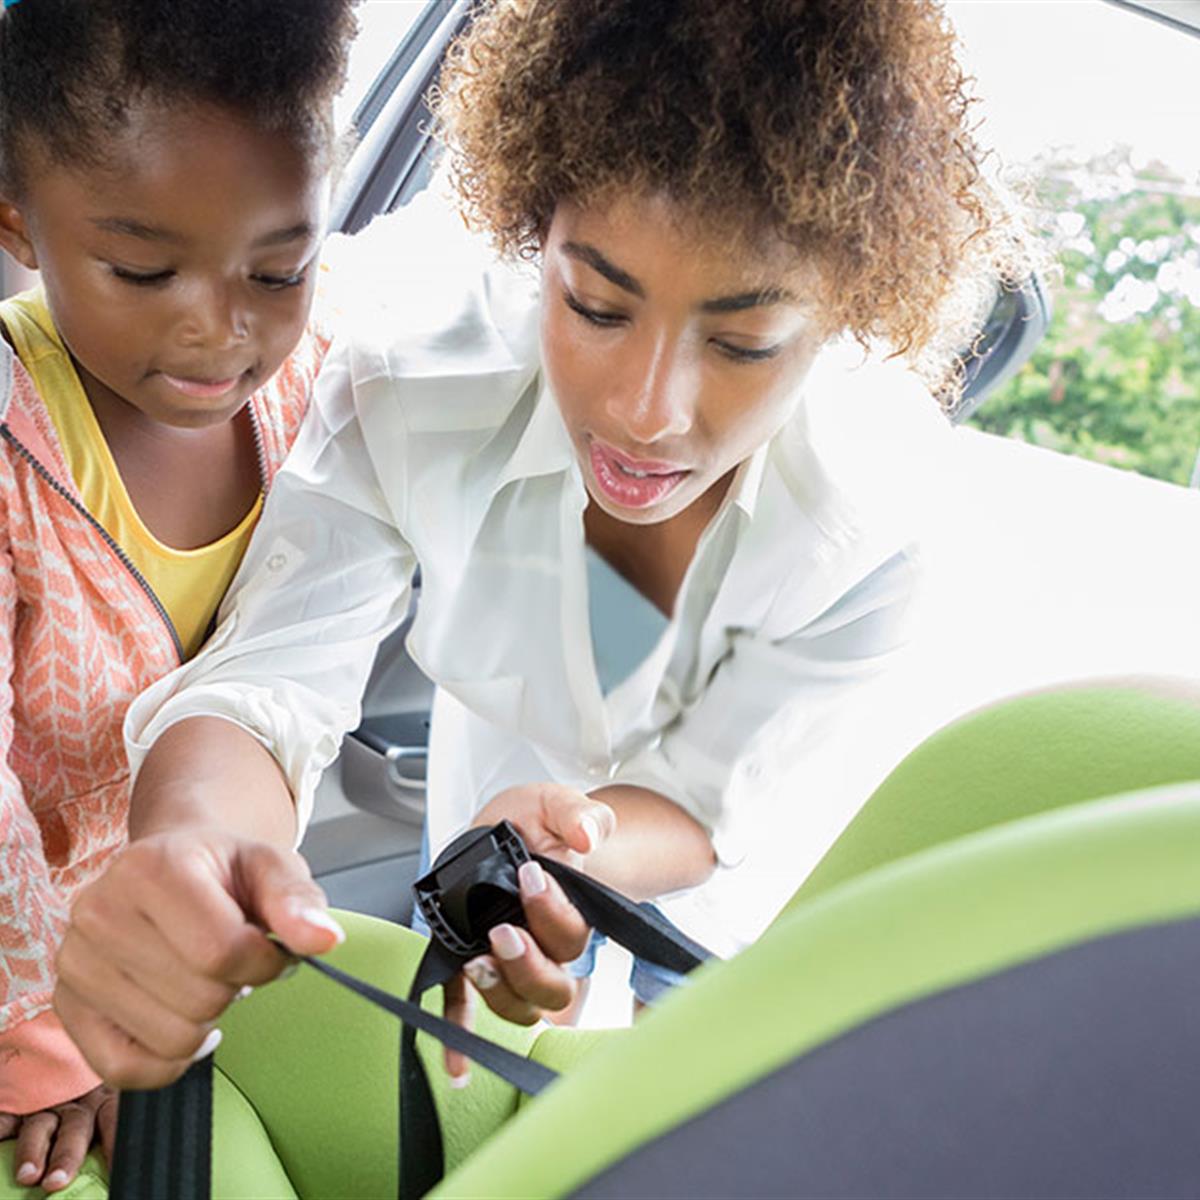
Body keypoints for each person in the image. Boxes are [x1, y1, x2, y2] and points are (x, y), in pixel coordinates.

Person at [56, 0, 1024, 1095]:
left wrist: (588, 852)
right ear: (537, 242)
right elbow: (274, 680)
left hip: (726, 924)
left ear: (846, 313)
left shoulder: (870, 534)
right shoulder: (409, 394)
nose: (647, 412)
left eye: (744, 342)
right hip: (498, 827)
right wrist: (190, 850)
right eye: (597, 306)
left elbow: (704, 802)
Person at [0, 0, 358, 1191]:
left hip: (197, 950)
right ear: (18, 217)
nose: (220, 327)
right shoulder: (11, 455)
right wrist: (61, 1050)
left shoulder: (319, 400)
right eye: (143, 269)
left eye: (281, 267)